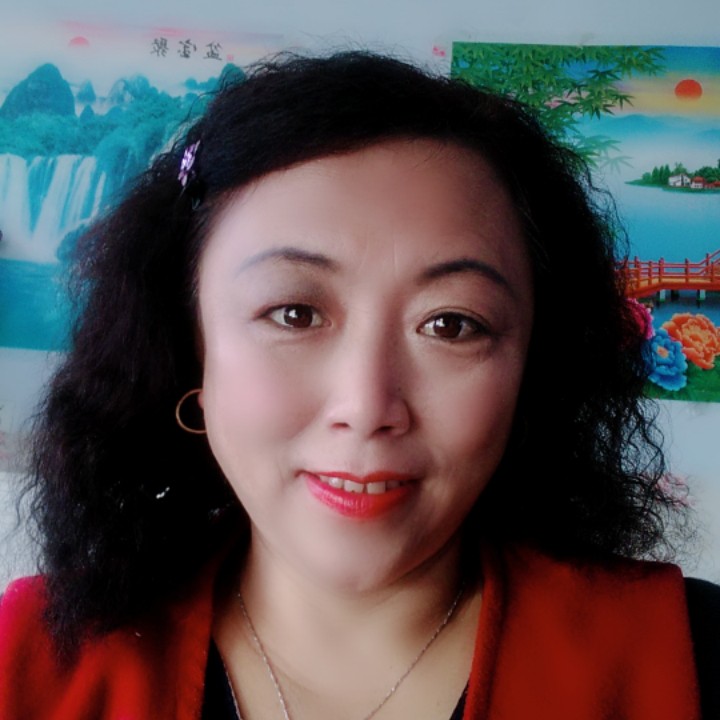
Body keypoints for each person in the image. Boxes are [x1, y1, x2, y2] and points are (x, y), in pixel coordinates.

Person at [0, 51, 712, 719]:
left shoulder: (689, 656)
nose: (367, 407)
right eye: (295, 313)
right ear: (191, 348)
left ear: (532, 365)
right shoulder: (31, 662)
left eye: (452, 325)